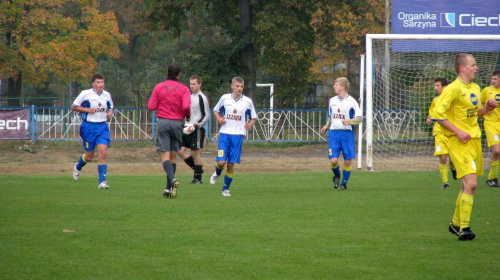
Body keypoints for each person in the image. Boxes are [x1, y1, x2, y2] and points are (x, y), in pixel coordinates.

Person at [432, 53, 497, 241]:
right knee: (473, 184)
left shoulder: (476, 88)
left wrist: (488, 110)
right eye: (473, 65)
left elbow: (475, 114)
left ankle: (455, 223)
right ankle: (465, 229)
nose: (476, 68)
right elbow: (438, 115)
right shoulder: (452, 89)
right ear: (462, 68)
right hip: (458, 141)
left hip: (474, 139)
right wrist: (458, 132)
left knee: (466, 185)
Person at [148, 64, 191, 198]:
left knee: (165, 155)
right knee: (173, 155)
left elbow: (151, 106)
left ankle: (172, 180)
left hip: (163, 122)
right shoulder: (184, 89)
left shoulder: (159, 87)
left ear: (167, 73)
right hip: (177, 123)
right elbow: (186, 106)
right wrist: (187, 115)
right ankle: (168, 189)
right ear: (179, 75)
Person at [210, 77, 257, 197]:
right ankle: (217, 172)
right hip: (225, 134)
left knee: (231, 164)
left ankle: (225, 189)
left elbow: (253, 117)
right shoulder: (225, 98)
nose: (239, 88)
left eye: (241, 86)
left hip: (238, 136)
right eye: (237, 86)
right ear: (232, 86)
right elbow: (215, 110)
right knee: (221, 162)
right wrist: (220, 118)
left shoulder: (247, 101)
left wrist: (250, 124)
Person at [72, 74, 114, 189]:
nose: (100, 84)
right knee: (89, 157)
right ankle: (78, 166)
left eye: (102, 82)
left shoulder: (107, 95)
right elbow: (74, 107)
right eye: (98, 82)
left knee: (103, 153)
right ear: (93, 84)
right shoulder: (85, 94)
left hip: (102, 127)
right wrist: (87, 110)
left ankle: (102, 182)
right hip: (88, 127)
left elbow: (110, 108)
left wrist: (110, 113)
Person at [320, 77, 363, 191]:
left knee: (347, 161)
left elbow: (359, 118)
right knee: (333, 160)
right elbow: (331, 116)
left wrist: (348, 121)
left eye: (336, 85)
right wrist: (326, 125)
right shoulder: (332, 100)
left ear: (343, 87)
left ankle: (344, 184)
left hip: (347, 135)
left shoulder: (352, 102)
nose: (334, 86)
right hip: (334, 134)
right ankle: (337, 175)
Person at [178, 75, 210, 184]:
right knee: (180, 150)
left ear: (199, 84)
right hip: (187, 127)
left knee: (195, 153)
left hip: (196, 129)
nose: (192, 86)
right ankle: (198, 169)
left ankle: (198, 178)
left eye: (194, 84)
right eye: (190, 84)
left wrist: (196, 125)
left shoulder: (202, 98)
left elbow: (206, 116)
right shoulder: (189, 96)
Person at [425, 77, 456, 189]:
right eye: (435, 86)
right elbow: (432, 114)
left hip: (452, 132)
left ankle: (453, 167)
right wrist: (429, 119)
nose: (435, 88)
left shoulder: (452, 100)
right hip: (439, 132)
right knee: (443, 157)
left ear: (445, 87)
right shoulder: (435, 101)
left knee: (453, 157)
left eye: (438, 86)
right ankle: (445, 183)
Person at [480, 69, 500, 188]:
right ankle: (492, 178)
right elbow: (479, 103)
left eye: (495, 79)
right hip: (491, 123)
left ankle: (491, 178)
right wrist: (485, 109)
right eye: (492, 79)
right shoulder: (487, 91)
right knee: (496, 150)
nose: (492, 81)